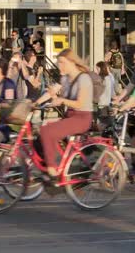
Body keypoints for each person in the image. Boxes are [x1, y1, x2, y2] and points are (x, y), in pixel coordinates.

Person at [40, 49, 94, 177]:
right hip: (70, 117)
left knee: (47, 131)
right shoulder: (65, 79)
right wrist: (35, 104)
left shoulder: (84, 78)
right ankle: (53, 165)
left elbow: (80, 104)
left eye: (62, 63)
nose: (59, 66)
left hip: (82, 118)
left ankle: (53, 170)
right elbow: (51, 92)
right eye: (58, 63)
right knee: (42, 133)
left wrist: (62, 100)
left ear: (72, 62)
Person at [95, 61, 114, 130]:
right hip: (106, 103)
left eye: (97, 69)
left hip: (102, 104)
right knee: (106, 123)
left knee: (102, 124)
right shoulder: (109, 77)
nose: (96, 71)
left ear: (101, 68)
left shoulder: (102, 79)